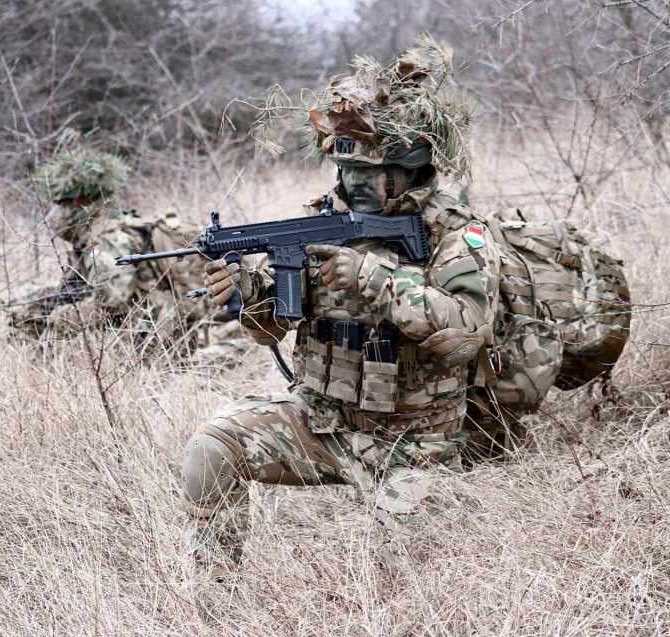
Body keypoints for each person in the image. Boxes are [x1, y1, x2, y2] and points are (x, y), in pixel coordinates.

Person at [179, 37, 516, 573]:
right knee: (211, 448)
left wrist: (377, 278)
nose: (352, 183)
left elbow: (468, 330)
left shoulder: (457, 233)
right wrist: (249, 295)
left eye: (369, 172)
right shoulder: (321, 221)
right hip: (322, 421)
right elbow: (274, 329)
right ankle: (211, 593)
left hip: (416, 437)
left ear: (411, 170)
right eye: (346, 171)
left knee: (401, 585)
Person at [10, 144, 214, 354]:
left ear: (81, 203)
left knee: (61, 337)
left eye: (63, 205)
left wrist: (61, 319)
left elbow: (112, 300)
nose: (56, 214)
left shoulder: (105, 238)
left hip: (158, 328)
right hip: (158, 322)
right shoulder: (111, 226)